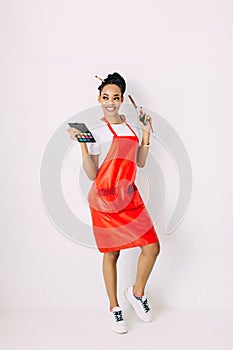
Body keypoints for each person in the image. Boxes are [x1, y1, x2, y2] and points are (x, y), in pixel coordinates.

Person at [67, 72, 160, 334]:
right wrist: (83, 147)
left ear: (122, 100)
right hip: (105, 199)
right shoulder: (95, 131)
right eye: (105, 97)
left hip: (130, 195)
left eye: (115, 97)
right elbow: (92, 174)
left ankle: (137, 293)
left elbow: (140, 162)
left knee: (152, 247)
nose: (110, 102)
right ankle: (114, 308)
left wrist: (145, 132)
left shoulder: (130, 127)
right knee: (112, 253)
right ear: (99, 98)